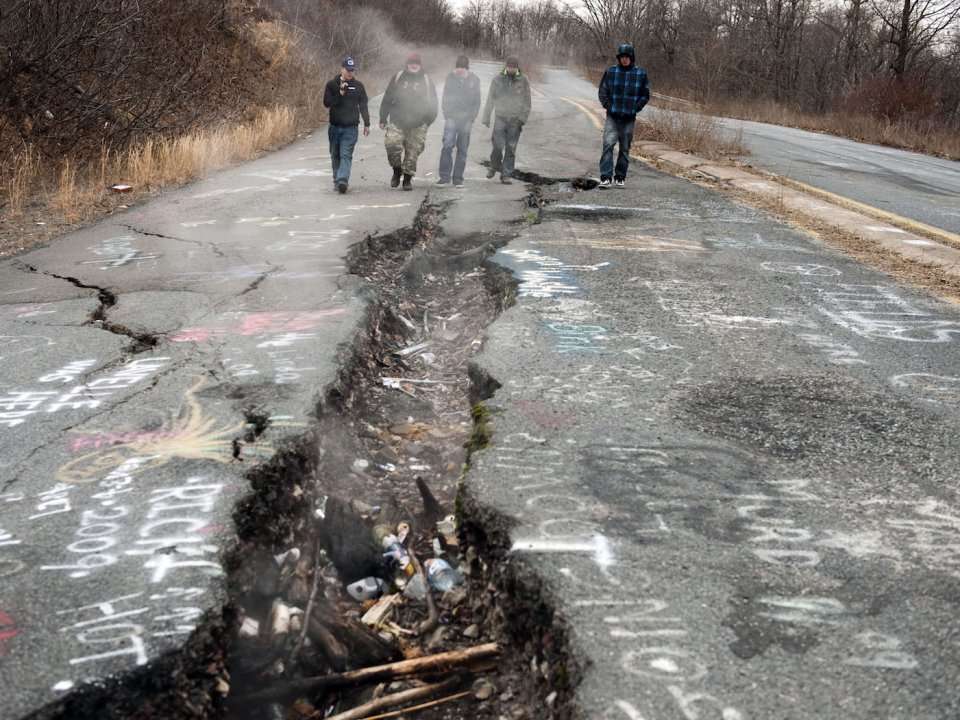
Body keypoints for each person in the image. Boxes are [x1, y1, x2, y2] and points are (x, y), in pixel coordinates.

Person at [379, 52, 438, 191]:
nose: (414, 65)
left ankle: (407, 179)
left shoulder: (426, 80)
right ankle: (396, 170)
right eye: (411, 63)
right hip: (397, 120)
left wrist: (427, 121)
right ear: (407, 64)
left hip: (418, 124)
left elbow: (434, 102)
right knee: (391, 145)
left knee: (412, 154)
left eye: (416, 63)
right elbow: (387, 97)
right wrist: (382, 117)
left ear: (420, 65)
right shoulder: (398, 77)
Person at [597, 43, 649, 189]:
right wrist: (608, 106)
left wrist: (635, 108)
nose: (624, 59)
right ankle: (605, 177)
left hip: (629, 118)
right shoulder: (611, 72)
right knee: (608, 145)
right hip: (612, 116)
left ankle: (620, 177)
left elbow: (645, 95)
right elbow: (603, 91)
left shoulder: (641, 74)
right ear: (618, 58)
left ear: (631, 58)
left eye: (627, 57)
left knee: (625, 148)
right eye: (622, 57)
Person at [322, 56, 370, 194]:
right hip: (335, 127)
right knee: (335, 155)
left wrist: (367, 123)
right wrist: (340, 93)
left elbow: (363, 106)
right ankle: (337, 180)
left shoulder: (359, 86)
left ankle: (343, 180)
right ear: (341, 69)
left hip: (351, 128)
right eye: (347, 70)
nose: (350, 73)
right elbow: (326, 103)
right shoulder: (332, 84)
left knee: (346, 154)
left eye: (352, 70)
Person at [481, 56, 531, 185]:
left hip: (515, 120)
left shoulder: (523, 80)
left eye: (513, 68)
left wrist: (522, 119)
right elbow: (490, 99)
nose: (511, 69)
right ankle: (494, 166)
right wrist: (486, 117)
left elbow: (527, 102)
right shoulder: (498, 79)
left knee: (511, 148)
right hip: (500, 117)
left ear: (517, 68)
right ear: (506, 66)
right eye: (509, 67)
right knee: (497, 145)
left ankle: (506, 175)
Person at [437, 55, 481, 187]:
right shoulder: (450, 78)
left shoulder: (475, 80)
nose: (460, 70)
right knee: (447, 146)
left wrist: (472, 117)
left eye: (463, 67)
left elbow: (477, 101)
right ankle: (444, 177)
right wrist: (447, 113)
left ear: (467, 68)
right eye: (458, 67)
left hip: (467, 119)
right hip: (451, 117)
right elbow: (445, 97)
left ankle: (458, 178)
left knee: (462, 149)